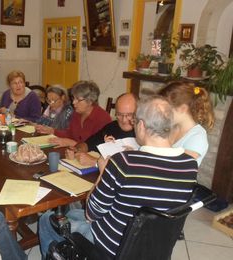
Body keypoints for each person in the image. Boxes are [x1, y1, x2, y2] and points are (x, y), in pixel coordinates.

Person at [39, 96, 198, 258]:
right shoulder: (190, 165)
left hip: (111, 248)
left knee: (47, 219)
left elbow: (91, 213)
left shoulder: (123, 162)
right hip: (154, 248)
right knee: (73, 214)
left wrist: (103, 172)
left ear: (141, 126)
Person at [68, 93, 137, 167]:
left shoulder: (143, 135)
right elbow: (89, 143)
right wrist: (77, 150)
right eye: (119, 114)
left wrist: (95, 162)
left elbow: (135, 168)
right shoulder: (112, 126)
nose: (124, 120)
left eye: (129, 115)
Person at [36, 81, 112, 147]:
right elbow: (69, 133)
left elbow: (99, 148)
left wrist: (72, 143)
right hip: (75, 155)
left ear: (90, 101)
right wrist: (52, 131)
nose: (73, 102)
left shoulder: (103, 119)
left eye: (78, 99)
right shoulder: (77, 113)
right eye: (73, 98)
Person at [159, 81, 214, 165]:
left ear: (182, 109)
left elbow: (181, 168)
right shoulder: (170, 126)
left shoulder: (197, 136)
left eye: (166, 110)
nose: (161, 113)